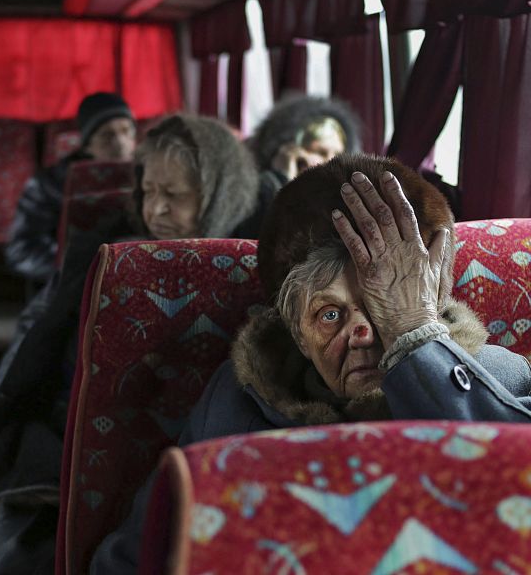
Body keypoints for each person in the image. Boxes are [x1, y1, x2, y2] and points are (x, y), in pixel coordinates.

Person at [91, 153, 531, 573]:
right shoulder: (235, 401)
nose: (364, 331)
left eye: (385, 305)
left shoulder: (500, 377)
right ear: (297, 334)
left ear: (433, 299)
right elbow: (138, 555)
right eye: (331, 314)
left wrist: (414, 333)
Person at [0, 114, 262, 575]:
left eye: (174, 196)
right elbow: (28, 358)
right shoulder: (102, 255)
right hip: (67, 456)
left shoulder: (258, 274)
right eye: (148, 192)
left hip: (206, 468)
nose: (155, 210)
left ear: (220, 195)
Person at [5, 92, 137, 283]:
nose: (120, 143)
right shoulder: (48, 184)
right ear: (87, 145)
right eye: (107, 135)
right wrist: (80, 269)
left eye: (127, 131)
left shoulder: (149, 177)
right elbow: (22, 250)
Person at [248, 94, 362, 216]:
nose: (332, 161)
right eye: (320, 151)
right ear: (289, 150)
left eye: (338, 154)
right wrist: (279, 179)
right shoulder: (253, 194)